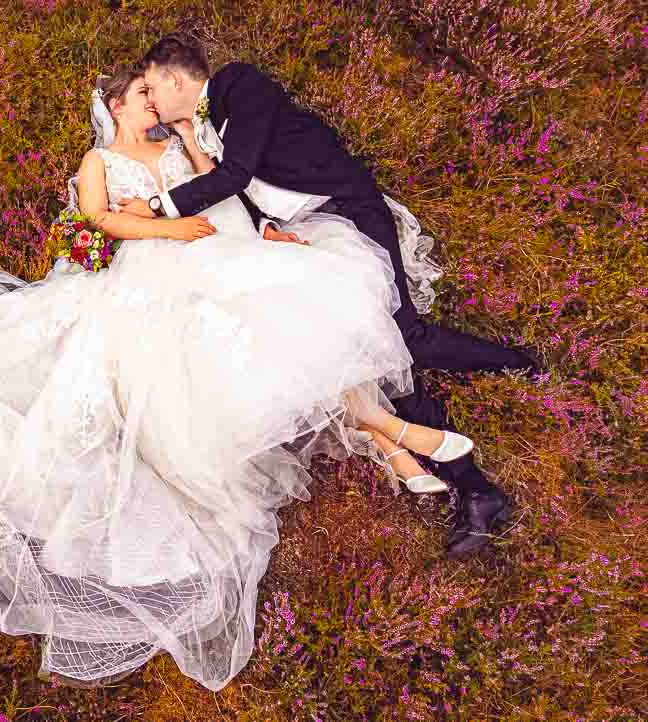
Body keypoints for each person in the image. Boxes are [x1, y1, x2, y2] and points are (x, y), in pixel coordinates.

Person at [0, 68, 474, 690]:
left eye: (158, 94)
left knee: (294, 317)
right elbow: (99, 221)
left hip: (215, 253)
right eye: (143, 97)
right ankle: (390, 432)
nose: (154, 104)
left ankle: (389, 438)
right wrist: (166, 227)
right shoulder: (100, 158)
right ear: (117, 104)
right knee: (230, 350)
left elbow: (221, 189)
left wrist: (220, 180)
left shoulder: (178, 147)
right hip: (154, 270)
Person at [132, 33, 536, 558]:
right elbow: (253, 193)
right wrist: (268, 228)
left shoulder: (239, 82)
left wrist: (159, 206)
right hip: (309, 236)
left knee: (402, 340)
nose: (152, 102)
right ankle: (477, 489)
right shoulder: (205, 127)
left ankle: (519, 364)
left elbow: (239, 174)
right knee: (362, 362)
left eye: (151, 87)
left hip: (351, 217)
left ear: (174, 76)